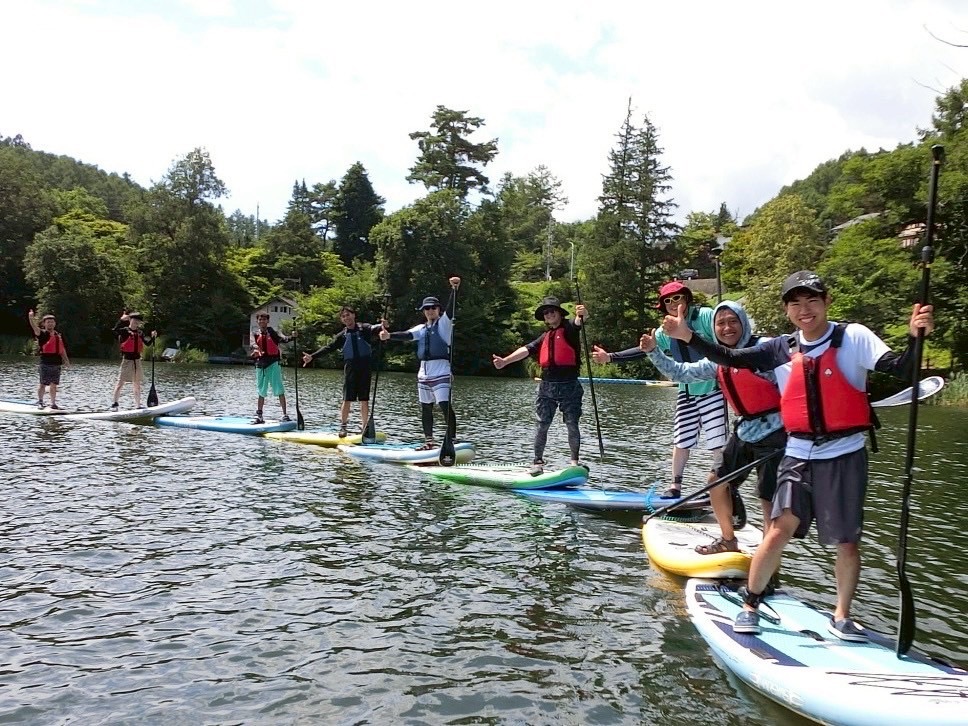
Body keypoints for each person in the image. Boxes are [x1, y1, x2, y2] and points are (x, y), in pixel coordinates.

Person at [662, 270, 935, 641]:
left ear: (827, 302)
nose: (804, 310)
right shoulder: (781, 347)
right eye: (796, 303)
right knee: (779, 529)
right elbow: (730, 356)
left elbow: (902, 368)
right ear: (787, 310)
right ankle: (751, 604)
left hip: (845, 452)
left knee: (847, 541)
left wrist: (916, 337)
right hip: (799, 451)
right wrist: (688, 337)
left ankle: (841, 617)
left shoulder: (853, 337)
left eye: (812, 300)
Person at [593, 300, 785, 552]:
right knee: (716, 482)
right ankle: (728, 540)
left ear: (744, 323)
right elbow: (680, 372)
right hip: (746, 430)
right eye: (721, 323)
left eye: (733, 321)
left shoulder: (765, 348)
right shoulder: (718, 360)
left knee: (767, 499)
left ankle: (769, 557)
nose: (727, 328)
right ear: (714, 329)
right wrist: (653, 351)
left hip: (775, 432)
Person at [492, 296, 588, 476]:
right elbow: (526, 350)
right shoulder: (545, 336)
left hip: (569, 386)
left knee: (572, 424)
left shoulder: (569, 328)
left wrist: (582, 314)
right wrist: (505, 361)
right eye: (546, 313)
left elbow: (579, 321)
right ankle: (537, 462)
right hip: (546, 387)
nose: (549, 314)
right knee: (542, 425)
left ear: (559, 313)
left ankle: (574, 463)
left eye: (552, 311)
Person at [651, 281, 727, 498]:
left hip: (712, 387)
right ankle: (675, 486)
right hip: (687, 390)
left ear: (686, 298)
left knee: (717, 440)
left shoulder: (705, 316)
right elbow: (646, 348)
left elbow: (725, 335)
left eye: (677, 298)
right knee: (681, 439)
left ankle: (718, 485)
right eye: (668, 301)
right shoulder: (665, 331)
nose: (673, 303)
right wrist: (610, 357)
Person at [379, 277, 461, 449]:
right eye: (427, 308)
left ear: (438, 309)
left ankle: (452, 439)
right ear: (423, 311)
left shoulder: (444, 324)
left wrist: (454, 290)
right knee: (426, 408)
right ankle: (429, 442)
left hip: (441, 371)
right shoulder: (421, 328)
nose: (430, 311)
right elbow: (406, 335)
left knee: (444, 405)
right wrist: (388, 336)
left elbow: (451, 310)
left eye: (433, 308)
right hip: (423, 373)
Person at [302, 306, 382, 437]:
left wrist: (383, 325)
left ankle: (364, 427)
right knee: (347, 398)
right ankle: (343, 427)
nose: (346, 318)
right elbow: (328, 348)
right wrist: (312, 356)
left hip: (365, 367)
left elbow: (376, 328)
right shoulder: (342, 336)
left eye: (348, 315)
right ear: (341, 319)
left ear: (353, 315)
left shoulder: (364, 328)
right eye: (343, 316)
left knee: (364, 399)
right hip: (350, 368)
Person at [250, 312, 296, 424]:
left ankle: (285, 415)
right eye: (260, 319)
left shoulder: (273, 332)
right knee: (261, 391)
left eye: (264, 319)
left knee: (279, 389)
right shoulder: (255, 333)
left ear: (268, 321)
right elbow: (252, 343)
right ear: (257, 321)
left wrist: (292, 337)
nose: (262, 321)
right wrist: (256, 347)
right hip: (261, 365)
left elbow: (283, 339)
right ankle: (259, 416)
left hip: (273, 364)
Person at [111, 311, 157, 410]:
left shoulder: (140, 333)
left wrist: (153, 337)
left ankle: (138, 405)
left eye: (138, 321)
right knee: (120, 383)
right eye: (134, 320)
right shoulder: (124, 331)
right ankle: (115, 403)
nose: (136, 322)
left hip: (137, 361)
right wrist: (121, 320)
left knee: (137, 384)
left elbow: (147, 343)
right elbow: (114, 330)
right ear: (130, 320)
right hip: (127, 361)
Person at [27, 310, 70, 409]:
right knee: (43, 384)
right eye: (48, 322)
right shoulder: (42, 334)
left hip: (56, 363)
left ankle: (53, 404)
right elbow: (34, 328)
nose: (50, 323)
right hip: (45, 363)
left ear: (55, 323)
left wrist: (66, 360)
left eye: (52, 322)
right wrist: (31, 318)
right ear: (44, 324)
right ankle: (40, 401)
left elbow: (62, 349)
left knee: (54, 384)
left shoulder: (58, 335)